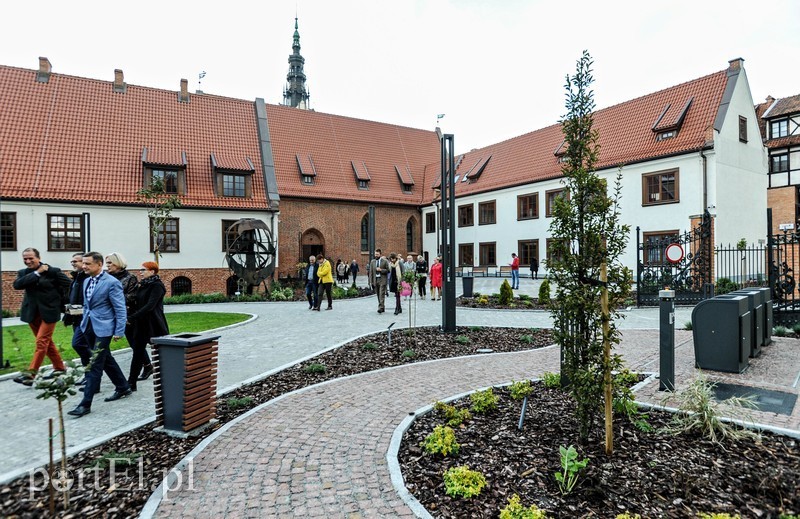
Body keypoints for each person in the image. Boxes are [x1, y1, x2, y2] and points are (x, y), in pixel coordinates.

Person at [67, 252, 133, 417]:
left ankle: (85, 404)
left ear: (99, 265)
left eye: (88, 264)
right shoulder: (87, 281)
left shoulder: (112, 283)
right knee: (102, 357)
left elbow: (119, 308)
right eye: (83, 263)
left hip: (104, 327)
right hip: (87, 325)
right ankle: (123, 386)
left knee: (95, 362)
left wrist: (119, 331)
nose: (84, 266)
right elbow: (88, 305)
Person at [12, 248, 70, 385]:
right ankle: (60, 368)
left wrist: (61, 302)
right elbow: (17, 285)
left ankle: (31, 375)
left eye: (31, 258)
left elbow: (70, 285)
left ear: (38, 257)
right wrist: (37, 273)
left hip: (49, 312)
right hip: (31, 313)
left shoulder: (53, 271)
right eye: (25, 259)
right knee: (46, 342)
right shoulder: (24, 273)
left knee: (41, 342)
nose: (28, 261)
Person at [126, 261, 169, 390]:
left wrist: (132, 317)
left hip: (154, 324)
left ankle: (168, 379)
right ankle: (131, 383)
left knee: (162, 353)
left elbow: (150, 306)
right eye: (141, 269)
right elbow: (137, 302)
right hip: (141, 324)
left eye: (143, 269)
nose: (141, 272)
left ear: (152, 271)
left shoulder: (157, 286)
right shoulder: (142, 285)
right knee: (137, 353)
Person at [105, 252, 139, 361]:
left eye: (110, 262)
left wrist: (112, 299)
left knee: (134, 343)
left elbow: (132, 296)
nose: (107, 265)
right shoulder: (106, 278)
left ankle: (147, 365)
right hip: (109, 314)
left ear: (118, 263)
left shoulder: (130, 278)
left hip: (127, 313)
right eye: (107, 263)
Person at [64, 252, 92, 371]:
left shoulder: (88, 278)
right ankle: (89, 373)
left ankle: (93, 370)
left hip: (85, 318)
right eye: (72, 261)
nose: (73, 263)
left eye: (76, 261)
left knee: (78, 344)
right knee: (82, 346)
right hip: (76, 318)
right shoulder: (76, 278)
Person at [368, 249, 390, 313]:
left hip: (382, 279)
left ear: (380, 254)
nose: (376, 255)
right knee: (378, 294)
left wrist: (381, 270)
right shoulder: (372, 262)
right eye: (375, 254)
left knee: (381, 294)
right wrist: (370, 281)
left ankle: (380, 307)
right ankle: (382, 307)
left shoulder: (385, 261)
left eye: (377, 254)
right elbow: (371, 272)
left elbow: (388, 270)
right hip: (375, 280)